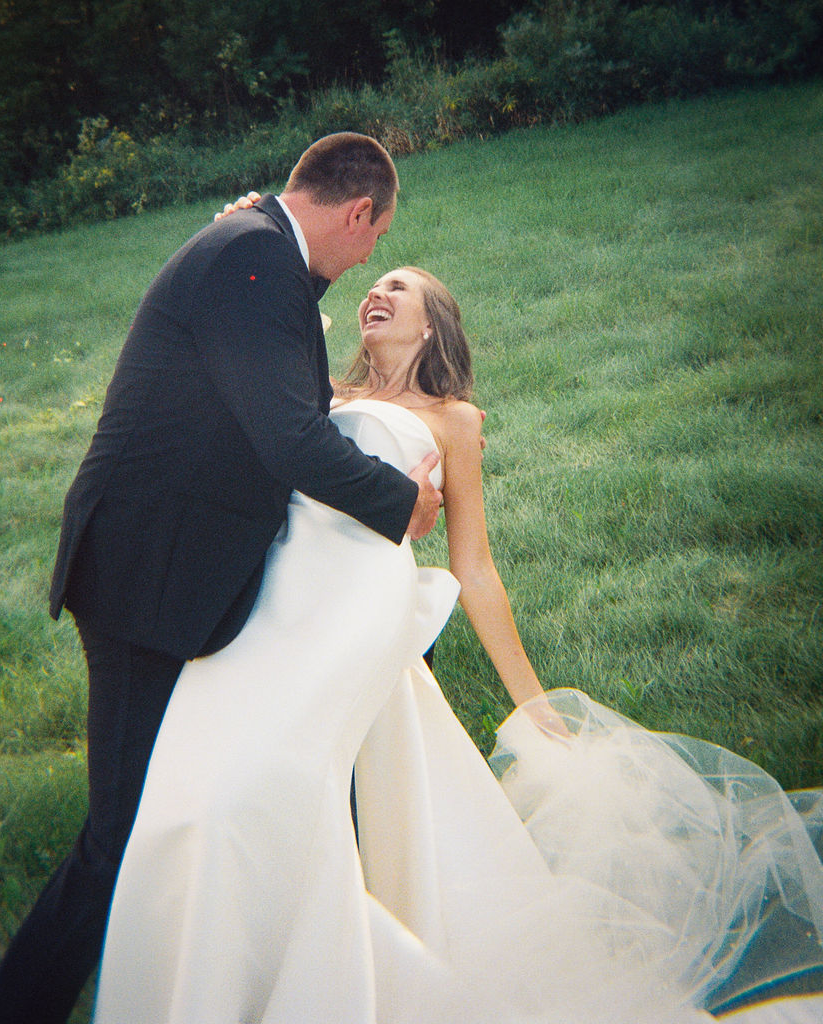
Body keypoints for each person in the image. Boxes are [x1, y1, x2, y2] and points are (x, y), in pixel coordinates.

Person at [92, 265, 823, 1023]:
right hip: (275, 617)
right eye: (372, 284)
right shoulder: (318, 399)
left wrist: (531, 698)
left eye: (399, 287)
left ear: (434, 323)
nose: (376, 293)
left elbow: (472, 565)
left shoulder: (453, 420)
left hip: (360, 624)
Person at [0, 134, 446, 1024]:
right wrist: (404, 503)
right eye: (374, 239)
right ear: (358, 214)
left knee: (248, 790)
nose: (368, 261)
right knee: (119, 840)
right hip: (142, 582)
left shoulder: (255, 249)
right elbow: (290, 440)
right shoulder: (255, 261)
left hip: (181, 576)